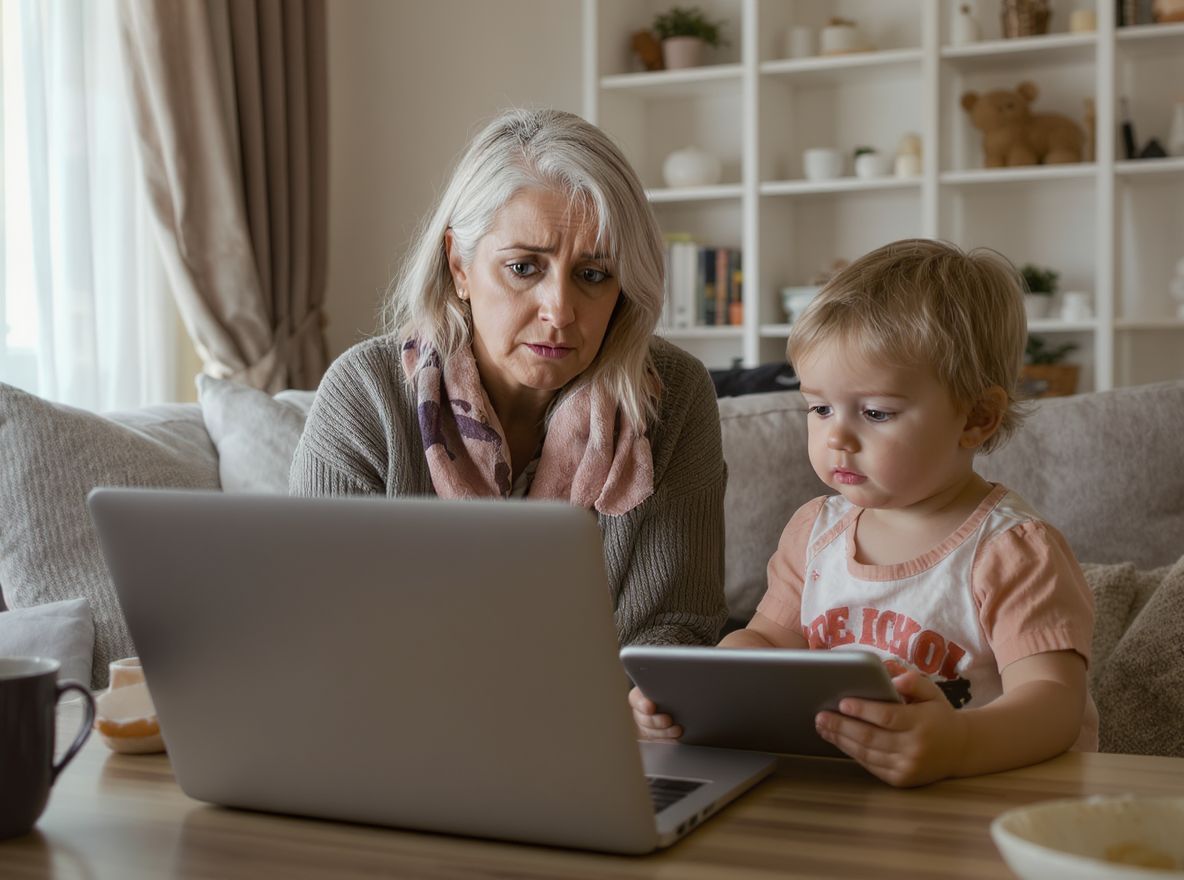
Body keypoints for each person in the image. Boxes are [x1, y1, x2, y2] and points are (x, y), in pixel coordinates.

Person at [630, 239, 1098, 787]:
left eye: (876, 412)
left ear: (976, 417)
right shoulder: (814, 532)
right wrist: (700, 693)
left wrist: (957, 745)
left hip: (980, 800)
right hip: (845, 792)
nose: (838, 437)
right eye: (820, 408)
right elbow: (766, 642)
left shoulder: (1012, 551)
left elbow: (1053, 704)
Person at [289, 108, 727, 647]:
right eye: (524, 267)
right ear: (459, 266)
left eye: (593, 275)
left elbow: (676, 628)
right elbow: (319, 623)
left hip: (602, 726)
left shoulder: (675, 395)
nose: (560, 310)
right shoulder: (366, 392)